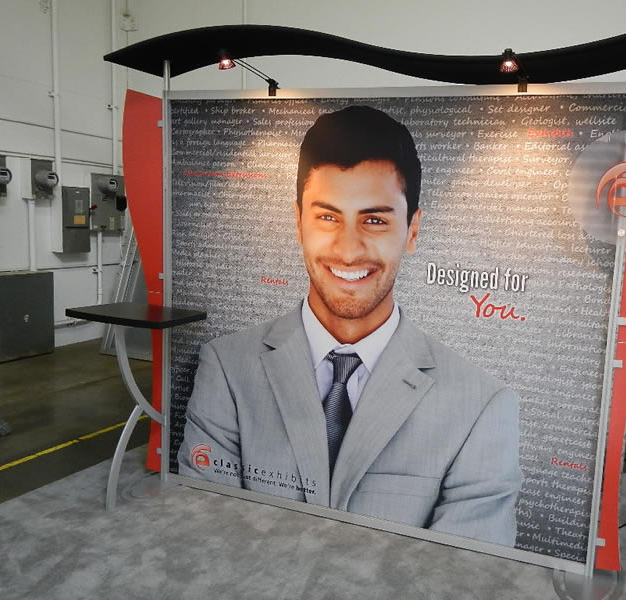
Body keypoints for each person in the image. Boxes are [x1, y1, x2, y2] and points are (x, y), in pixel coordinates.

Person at [178, 105, 522, 547]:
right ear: (298, 223)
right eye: (327, 216)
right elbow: (207, 530)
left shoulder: (482, 405)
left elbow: (465, 571)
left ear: (412, 231)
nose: (348, 249)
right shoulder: (227, 367)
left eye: (374, 220)